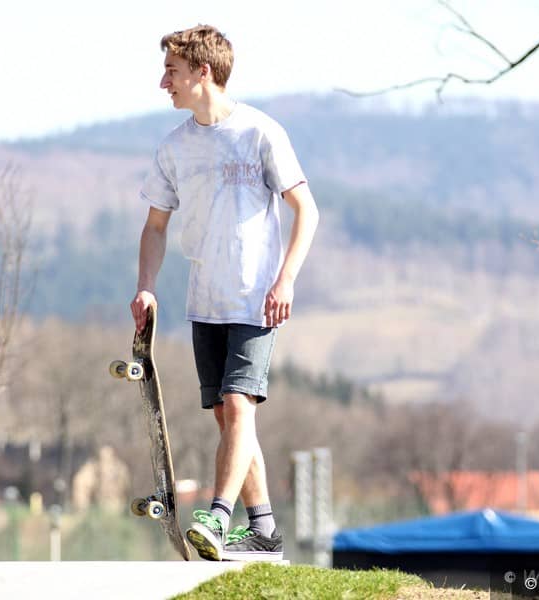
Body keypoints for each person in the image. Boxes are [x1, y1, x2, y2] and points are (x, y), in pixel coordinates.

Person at [130, 24, 319, 562]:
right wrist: (146, 287)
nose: (163, 82)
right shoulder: (175, 147)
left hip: (258, 299)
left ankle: (217, 516)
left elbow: (307, 211)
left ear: (202, 72)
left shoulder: (260, 133)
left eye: (171, 71)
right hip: (205, 301)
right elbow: (155, 227)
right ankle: (264, 530)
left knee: (238, 406)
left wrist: (286, 279)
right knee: (228, 416)